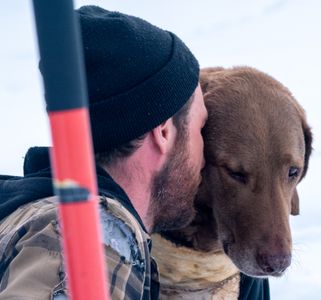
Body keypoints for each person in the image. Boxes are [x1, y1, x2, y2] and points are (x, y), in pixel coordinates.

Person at [0, 5, 207, 299]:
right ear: (163, 132)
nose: (206, 156)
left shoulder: (27, 212)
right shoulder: (94, 232)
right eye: (201, 128)